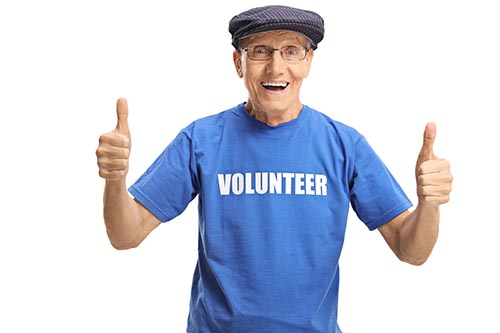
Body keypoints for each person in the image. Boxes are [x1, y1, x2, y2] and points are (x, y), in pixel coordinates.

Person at [96, 5, 453, 333]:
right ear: (239, 63)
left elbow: (412, 250)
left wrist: (429, 204)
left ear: (309, 62)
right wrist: (115, 179)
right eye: (260, 51)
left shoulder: (345, 145)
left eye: (291, 51)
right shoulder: (201, 140)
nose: (276, 68)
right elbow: (126, 235)